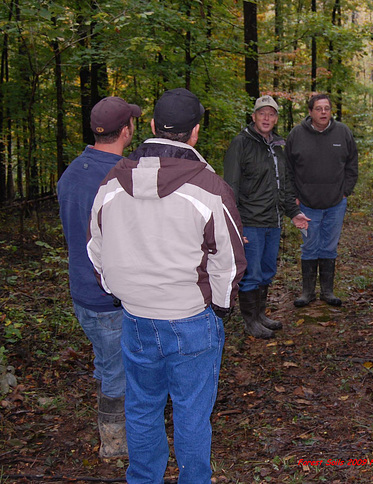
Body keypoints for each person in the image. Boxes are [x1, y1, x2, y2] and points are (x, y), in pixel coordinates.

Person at [87, 88, 246, 483]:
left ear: (154, 126)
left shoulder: (110, 184)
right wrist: (220, 306)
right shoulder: (209, 189)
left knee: (141, 408)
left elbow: (96, 249)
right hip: (190, 319)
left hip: (136, 318)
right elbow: (230, 259)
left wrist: (120, 289)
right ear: (194, 133)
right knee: (192, 413)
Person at [57, 96, 141, 459]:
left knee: (105, 360)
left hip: (81, 292)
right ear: (126, 130)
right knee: (117, 370)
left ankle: (112, 426)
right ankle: (115, 444)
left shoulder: (72, 171)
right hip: (110, 295)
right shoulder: (124, 176)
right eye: (132, 123)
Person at [223, 95, 309, 339]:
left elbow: (285, 184)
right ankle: (250, 321)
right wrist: (235, 224)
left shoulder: (277, 147)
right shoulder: (241, 143)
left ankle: (260, 315)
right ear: (254, 117)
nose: (267, 118)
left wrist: (294, 213)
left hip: (273, 221)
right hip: (249, 221)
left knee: (268, 270)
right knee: (251, 273)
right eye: (262, 113)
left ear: (276, 118)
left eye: (271, 114)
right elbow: (231, 186)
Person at [285, 94, 358, 307]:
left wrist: (346, 191)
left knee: (329, 247)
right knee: (310, 247)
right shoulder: (297, 135)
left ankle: (328, 291)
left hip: (336, 203)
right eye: (318, 109)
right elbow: (287, 169)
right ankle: (307, 292)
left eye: (327, 108)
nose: (323, 112)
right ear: (310, 112)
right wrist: (293, 197)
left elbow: (352, 164)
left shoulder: (343, 132)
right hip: (306, 204)